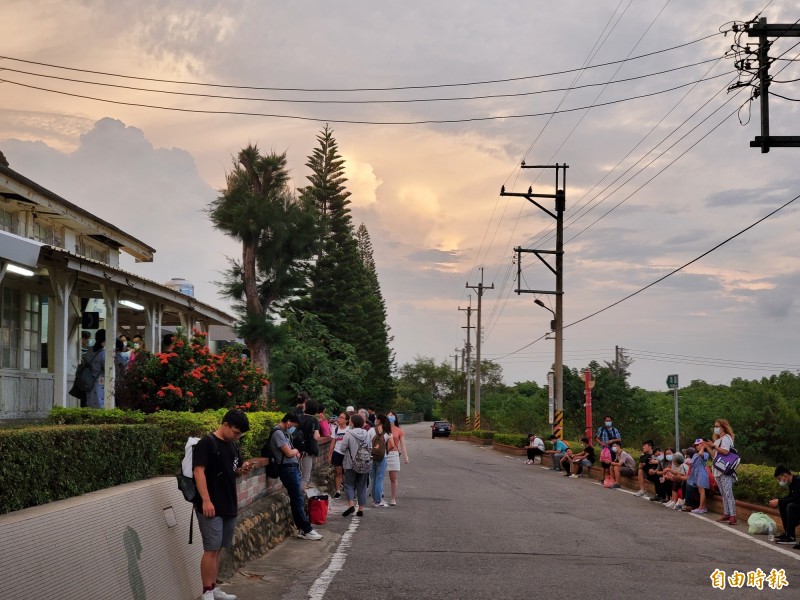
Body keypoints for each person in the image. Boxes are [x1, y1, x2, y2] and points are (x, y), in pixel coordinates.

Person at [192, 409, 256, 600]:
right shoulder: (207, 443)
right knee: (211, 549)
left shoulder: (232, 445)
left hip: (228, 503)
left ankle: (213, 587)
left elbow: (232, 469)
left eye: (240, 434)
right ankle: (207, 592)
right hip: (210, 505)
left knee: (218, 548)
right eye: (236, 432)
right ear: (226, 424)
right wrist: (206, 500)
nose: (237, 436)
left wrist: (241, 469)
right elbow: (198, 472)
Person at [269, 412, 323, 541]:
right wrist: (295, 451)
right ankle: (306, 529)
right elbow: (288, 452)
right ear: (288, 421)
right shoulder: (278, 433)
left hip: (292, 468)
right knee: (297, 499)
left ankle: (304, 528)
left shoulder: (284, 433)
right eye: (292, 425)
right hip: (287, 469)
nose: (292, 428)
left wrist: (294, 452)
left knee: (297, 498)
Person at [706, 419, 738, 525]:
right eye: (715, 426)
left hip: (725, 469)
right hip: (718, 469)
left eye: (717, 426)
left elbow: (725, 451)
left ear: (723, 427)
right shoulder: (717, 440)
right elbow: (714, 455)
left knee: (728, 492)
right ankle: (726, 513)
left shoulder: (726, 438)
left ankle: (733, 515)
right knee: (723, 493)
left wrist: (714, 446)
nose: (715, 428)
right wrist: (707, 446)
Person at [339, 413, 371, 517]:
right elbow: (370, 447)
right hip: (364, 462)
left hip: (350, 463)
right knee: (362, 486)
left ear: (352, 422)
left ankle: (351, 505)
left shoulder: (349, 433)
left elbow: (342, 448)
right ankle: (361, 509)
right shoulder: (366, 433)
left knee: (349, 485)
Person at [769, 465, 800, 547]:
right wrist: (778, 501)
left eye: (779, 479)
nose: (779, 481)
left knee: (791, 506)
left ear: (785, 475)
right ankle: (787, 533)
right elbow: (790, 497)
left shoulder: (798, 481)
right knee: (783, 504)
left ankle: (791, 537)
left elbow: (796, 499)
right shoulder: (792, 483)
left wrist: (779, 501)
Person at [368, 414, 392, 508]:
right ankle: (378, 501)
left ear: (378, 420)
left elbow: (366, 442)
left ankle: (375, 500)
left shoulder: (370, 430)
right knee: (379, 479)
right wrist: (386, 452)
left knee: (373, 479)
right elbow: (393, 445)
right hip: (382, 457)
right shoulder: (387, 432)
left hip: (371, 457)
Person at [386, 411, 408, 506]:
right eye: (388, 415)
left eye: (392, 415)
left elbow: (403, 445)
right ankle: (379, 495)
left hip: (393, 454)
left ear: (395, 417)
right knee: (379, 476)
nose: (390, 417)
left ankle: (393, 498)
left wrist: (406, 456)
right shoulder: (383, 428)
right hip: (383, 453)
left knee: (393, 478)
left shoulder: (399, 430)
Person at [298, 399, 321, 489]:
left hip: (295, 450)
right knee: (305, 477)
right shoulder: (314, 420)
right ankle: (300, 497)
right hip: (307, 450)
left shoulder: (298, 417)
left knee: (297, 475)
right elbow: (316, 436)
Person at [685, 439, 710, 514]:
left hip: (702, 473)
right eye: (695, 445)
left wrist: (703, 447)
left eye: (698, 445)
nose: (696, 447)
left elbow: (701, 454)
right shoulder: (695, 455)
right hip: (696, 474)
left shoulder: (705, 453)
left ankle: (701, 507)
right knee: (700, 491)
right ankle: (704, 507)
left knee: (702, 491)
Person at [84, 329, 106, 409]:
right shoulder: (103, 353)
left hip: (89, 380)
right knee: (100, 402)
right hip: (100, 380)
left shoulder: (89, 350)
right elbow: (107, 368)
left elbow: (85, 362)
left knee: (90, 402)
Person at [328, 412, 349, 499]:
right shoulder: (336, 429)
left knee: (347, 473)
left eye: (341, 418)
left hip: (347, 453)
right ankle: (338, 491)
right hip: (337, 452)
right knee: (338, 472)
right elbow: (333, 442)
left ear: (346, 420)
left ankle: (349, 490)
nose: (339, 419)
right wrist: (330, 454)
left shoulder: (349, 429)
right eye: (339, 417)